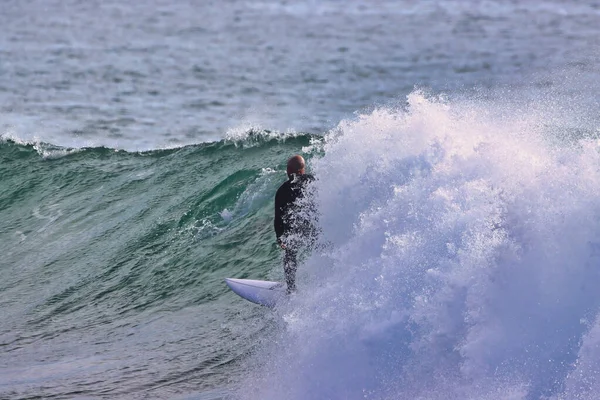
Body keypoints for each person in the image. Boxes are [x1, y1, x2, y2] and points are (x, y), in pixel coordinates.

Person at [274, 155, 315, 293]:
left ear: (289, 170)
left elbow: (278, 218)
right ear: (303, 169)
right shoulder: (313, 181)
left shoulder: (282, 190)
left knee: (290, 256)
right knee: (323, 247)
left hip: (295, 229)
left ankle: (291, 289)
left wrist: (280, 237)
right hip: (313, 227)